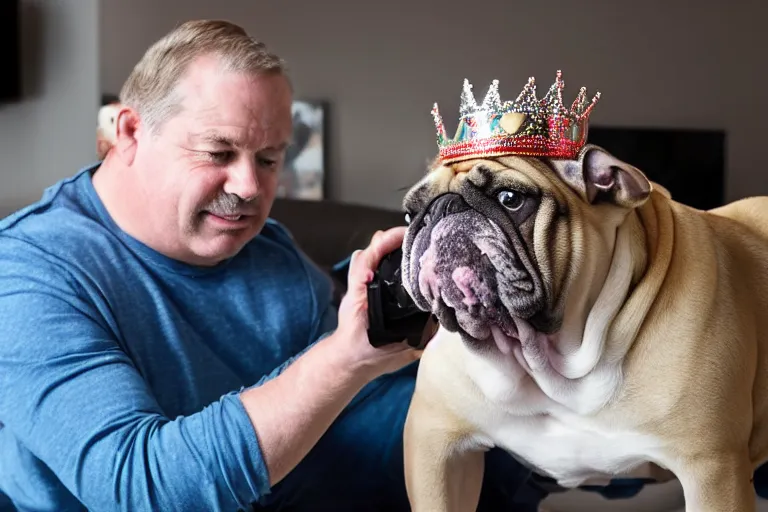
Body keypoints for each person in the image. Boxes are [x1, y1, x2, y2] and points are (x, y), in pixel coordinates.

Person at [0, 19, 547, 512]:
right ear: (129, 134)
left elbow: (380, 398)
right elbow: (140, 488)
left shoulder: (270, 254)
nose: (248, 187)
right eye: (218, 153)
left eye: (268, 160)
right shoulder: (29, 272)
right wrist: (341, 359)